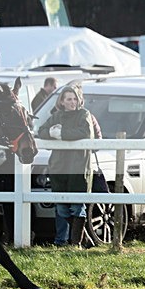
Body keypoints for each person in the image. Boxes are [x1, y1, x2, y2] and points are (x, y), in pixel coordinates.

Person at [37, 86, 94, 246]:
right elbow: (41, 131)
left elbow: (85, 132)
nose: (72, 102)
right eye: (69, 99)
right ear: (62, 101)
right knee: (61, 208)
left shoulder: (84, 115)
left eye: (75, 98)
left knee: (77, 207)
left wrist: (62, 134)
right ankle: (80, 240)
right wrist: (50, 133)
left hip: (78, 166)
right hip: (58, 167)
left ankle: (75, 243)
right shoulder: (56, 116)